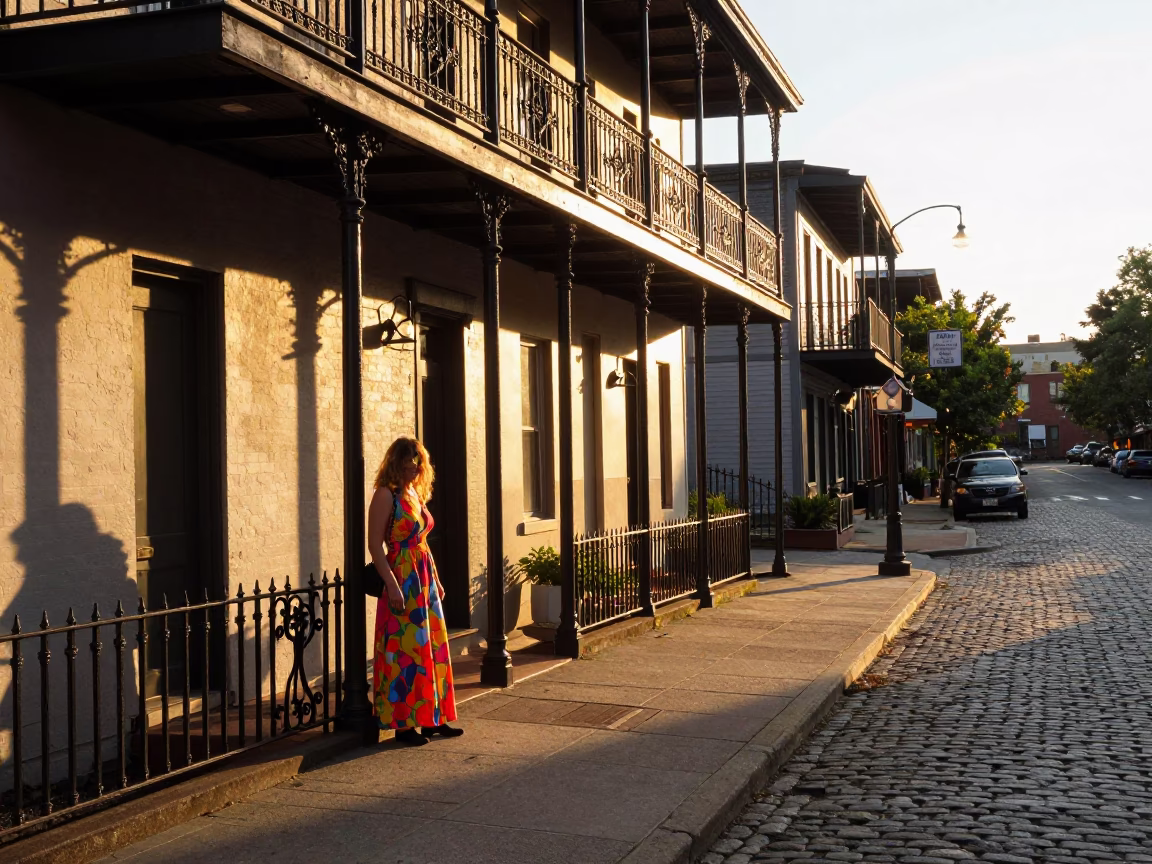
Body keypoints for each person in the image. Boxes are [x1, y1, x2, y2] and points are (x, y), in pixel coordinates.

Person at [368, 437, 461, 745]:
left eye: (417, 462)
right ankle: (404, 726)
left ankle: (432, 718)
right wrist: (392, 586)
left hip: (423, 581)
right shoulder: (386, 495)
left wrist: (436, 580)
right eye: (408, 462)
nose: (413, 468)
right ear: (396, 463)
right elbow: (375, 547)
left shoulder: (414, 493)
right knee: (405, 653)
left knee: (430, 650)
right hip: (402, 580)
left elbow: (421, 541)